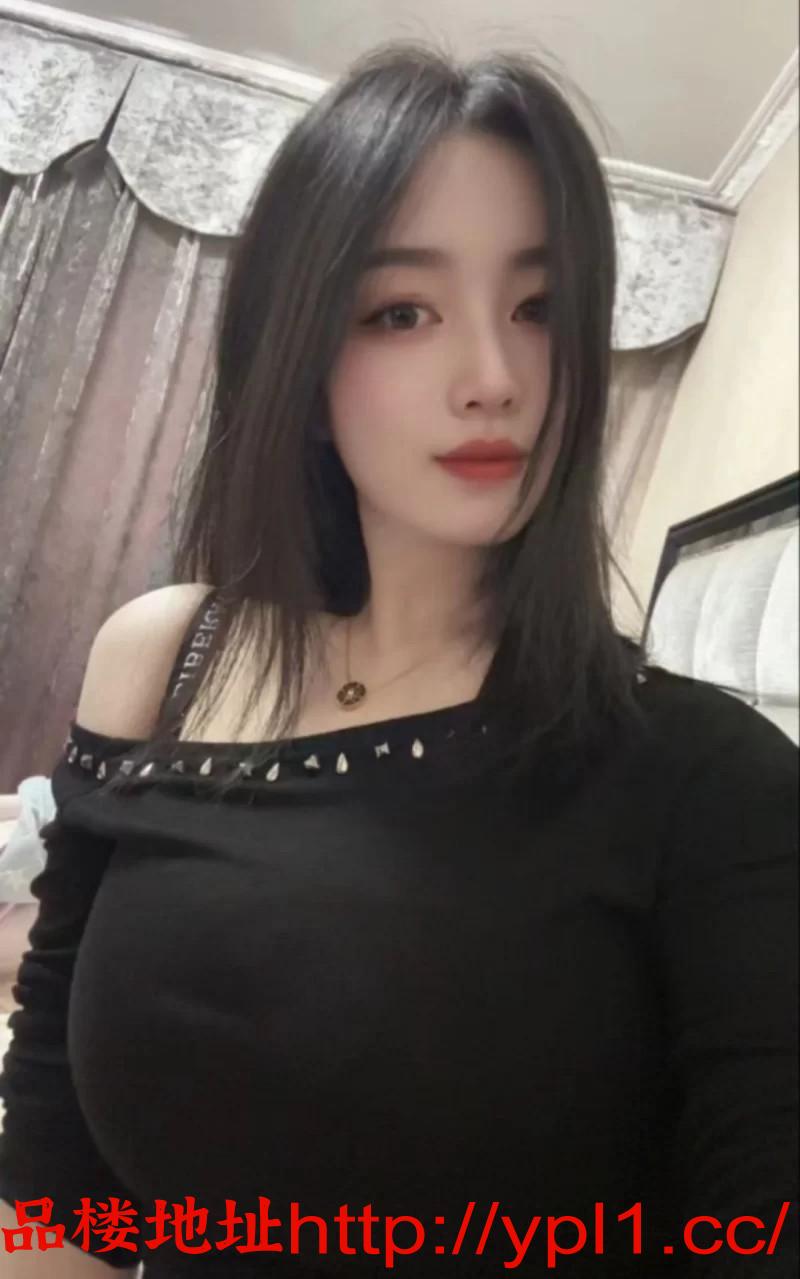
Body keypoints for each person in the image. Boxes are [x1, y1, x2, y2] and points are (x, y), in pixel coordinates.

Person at [0, 38, 797, 1279]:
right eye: (401, 312)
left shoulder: (709, 779)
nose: (494, 377)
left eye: (538, 309)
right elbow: (57, 1158)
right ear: (301, 357)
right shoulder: (160, 658)